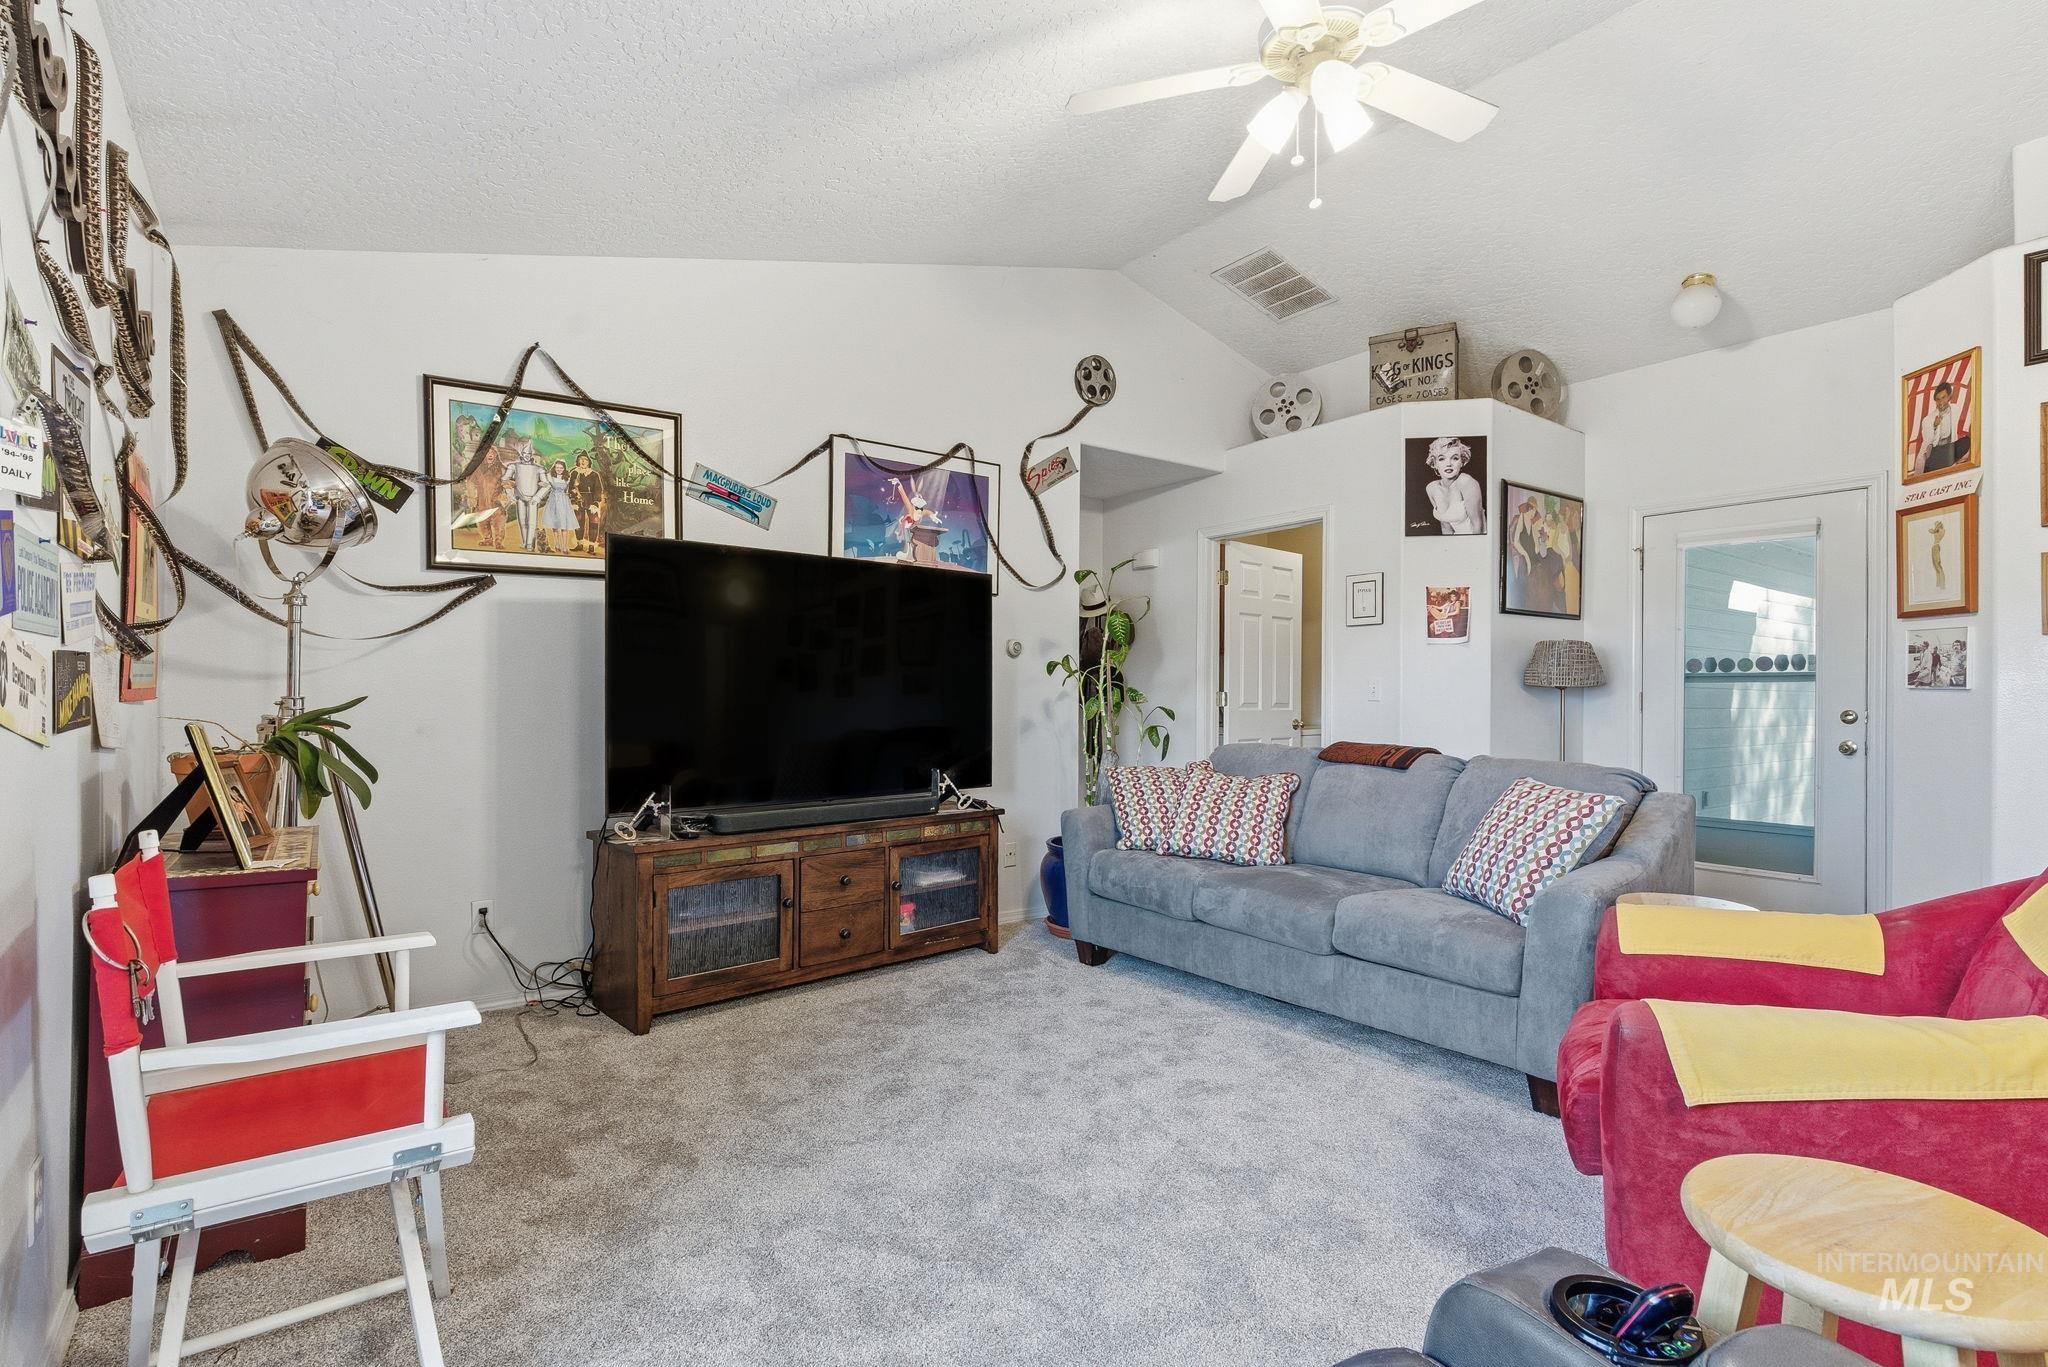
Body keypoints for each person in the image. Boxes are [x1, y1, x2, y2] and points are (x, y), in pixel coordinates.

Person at [1422, 436, 1485, 535]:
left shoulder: (1466, 482)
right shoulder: (1432, 488)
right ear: (1434, 463)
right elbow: (1446, 527)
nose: (1448, 464)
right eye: (1442, 459)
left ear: (1462, 462)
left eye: (1455, 458)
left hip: (1476, 540)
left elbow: (1478, 527)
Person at [1913, 380, 1968, 475]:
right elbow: (1929, 443)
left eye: (1943, 397)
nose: (1941, 402)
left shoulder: (1955, 409)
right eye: (1938, 399)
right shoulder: (1928, 419)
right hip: (1934, 453)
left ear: (1949, 397)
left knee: (1967, 441)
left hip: (1950, 449)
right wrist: (1935, 426)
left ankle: (1948, 463)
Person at [503, 437, 548, 552]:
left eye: (529, 453)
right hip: (519, 496)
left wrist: (538, 497)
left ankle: (529, 545)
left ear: (531, 454)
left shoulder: (539, 469)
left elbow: (546, 485)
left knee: (532, 522)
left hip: (533, 498)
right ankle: (525, 542)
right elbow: (505, 480)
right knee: (522, 521)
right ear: (521, 454)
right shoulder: (514, 466)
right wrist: (510, 494)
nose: (527, 455)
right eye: (524, 453)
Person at [568, 451, 608, 554]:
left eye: (585, 460)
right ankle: (580, 544)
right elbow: (570, 487)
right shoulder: (574, 473)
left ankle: (591, 546)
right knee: (578, 522)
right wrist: (573, 500)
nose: (583, 461)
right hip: (578, 500)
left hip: (591, 499)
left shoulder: (594, 474)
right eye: (581, 459)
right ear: (577, 461)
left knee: (594, 522)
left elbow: (599, 489)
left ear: (589, 462)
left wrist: (595, 502)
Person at [541, 459, 577, 552]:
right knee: (555, 523)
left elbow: (569, 490)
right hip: (553, 501)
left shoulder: (567, 478)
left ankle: (565, 546)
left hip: (564, 501)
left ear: (564, 468)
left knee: (564, 524)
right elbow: (546, 486)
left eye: (561, 468)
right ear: (554, 468)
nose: (559, 469)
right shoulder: (550, 476)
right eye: (557, 467)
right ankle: (557, 544)